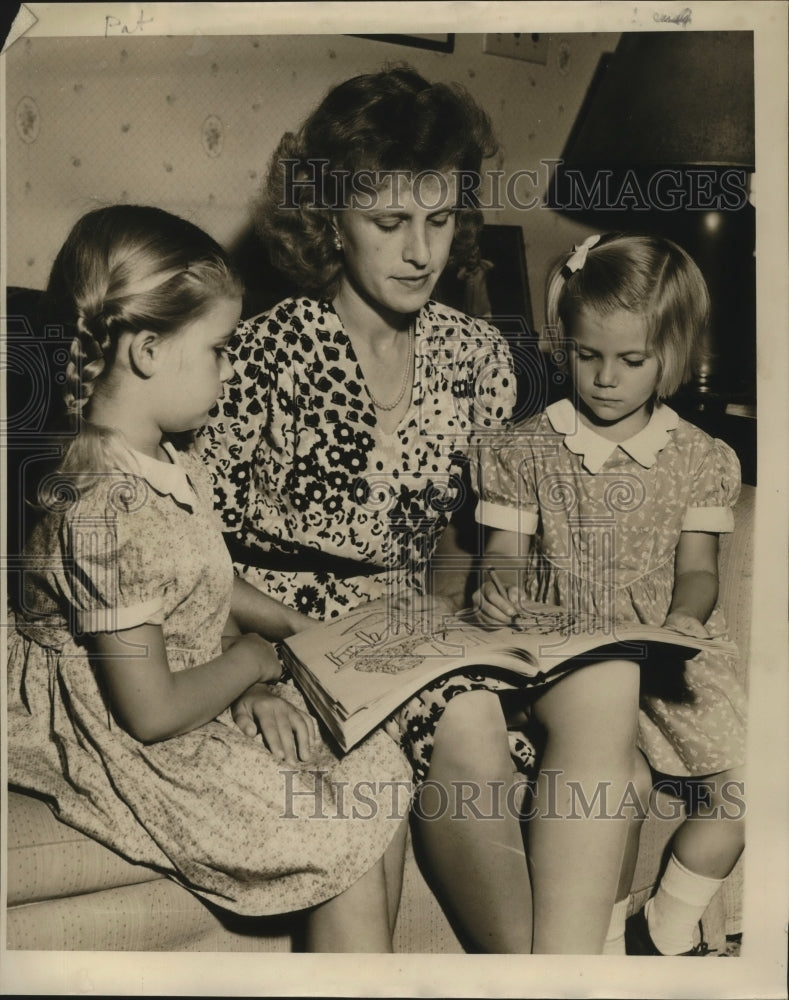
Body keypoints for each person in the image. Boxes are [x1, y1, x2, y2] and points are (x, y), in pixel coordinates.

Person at [197, 66, 547, 952]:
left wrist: (463, 604)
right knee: (368, 768)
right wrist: (251, 665)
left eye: (438, 221)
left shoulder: (476, 356)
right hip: (275, 623)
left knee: (472, 715)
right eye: (387, 223)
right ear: (329, 222)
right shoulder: (257, 353)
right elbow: (188, 546)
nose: (419, 251)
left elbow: (470, 529)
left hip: (400, 620)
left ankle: (535, 976)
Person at [6, 204, 412, 953]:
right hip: (126, 725)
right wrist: (253, 663)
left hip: (183, 677)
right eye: (220, 349)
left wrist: (291, 625)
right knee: (329, 826)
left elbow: (199, 584)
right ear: (149, 351)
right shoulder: (100, 512)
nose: (231, 369)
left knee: (381, 764)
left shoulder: (168, 460)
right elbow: (152, 712)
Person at [472, 232, 746, 955]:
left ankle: (667, 925)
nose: (602, 378)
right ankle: (595, 945)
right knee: (612, 788)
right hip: (567, 660)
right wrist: (497, 592)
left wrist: (685, 619)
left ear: (673, 357)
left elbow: (696, 569)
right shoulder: (526, 449)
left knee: (748, 788)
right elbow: (500, 558)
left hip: (664, 654)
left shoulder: (700, 460)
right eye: (586, 355)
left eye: (630, 361)